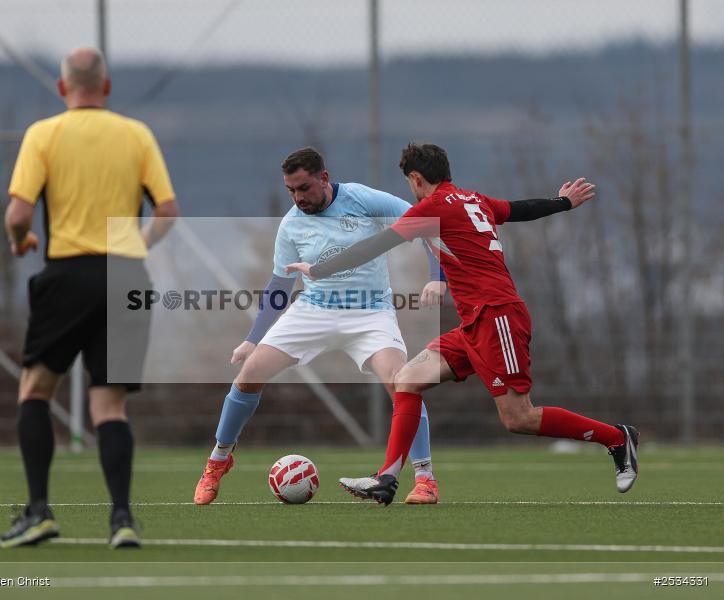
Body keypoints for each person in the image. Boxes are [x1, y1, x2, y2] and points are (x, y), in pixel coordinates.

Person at [287, 143, 638, 505]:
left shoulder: (433, 208)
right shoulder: (473, 199)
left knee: (519, 417)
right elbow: (517, 210)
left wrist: (318, 269)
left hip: (497, 315)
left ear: (416, 178)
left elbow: (376, 245)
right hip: (476, 321)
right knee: (407, 379)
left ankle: (616, 438)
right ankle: (387, 479)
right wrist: (562, 202)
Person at [194, 147, 446, 507]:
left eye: (304, 188)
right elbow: (280, 285)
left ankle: (425, 479)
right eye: (291, 191)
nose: (299, 198)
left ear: (324, 178)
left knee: (404, 382)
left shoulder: (363, 199)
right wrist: (253, 340)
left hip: (370, 313)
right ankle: (218, 461)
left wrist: (437, 277)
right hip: (313, 311)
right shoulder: (292, 223)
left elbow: (427, 224)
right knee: (249, 374)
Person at [0, 47, 179, 548]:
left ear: (62, 88)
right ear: (107, 86)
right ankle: (122, 519)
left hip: (68, 274)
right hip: (127, 277)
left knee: (35, 391)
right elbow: (167, 209)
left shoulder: (43, 134)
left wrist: (21, 243)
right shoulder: (136, 133)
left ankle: (38, 512)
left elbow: (17, 217)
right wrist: (135, 246)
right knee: (110, 407)